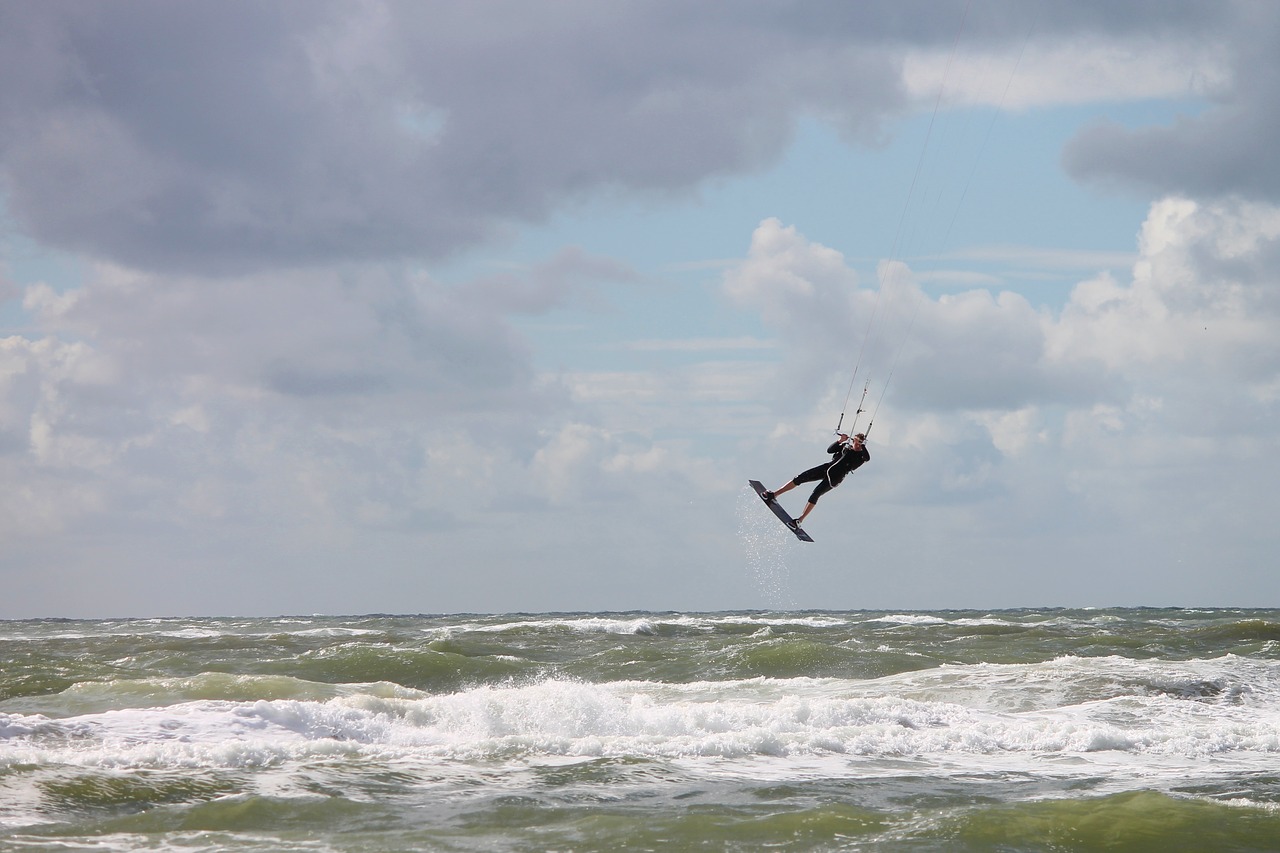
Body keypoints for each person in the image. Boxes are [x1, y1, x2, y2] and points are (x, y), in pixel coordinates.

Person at [762, 433, 869, 529]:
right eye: (856, 442)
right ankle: (774, 495)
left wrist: (862, 444)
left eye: (860, 444)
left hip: (835, 478)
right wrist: (840, 441)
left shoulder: (861, 457)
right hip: (826, 468)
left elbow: (867, 458)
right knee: (800, 478)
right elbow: (829, 450)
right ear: (853, 441)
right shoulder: (846, 448)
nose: (857, 445)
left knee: (816, 493)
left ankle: (799, 520)